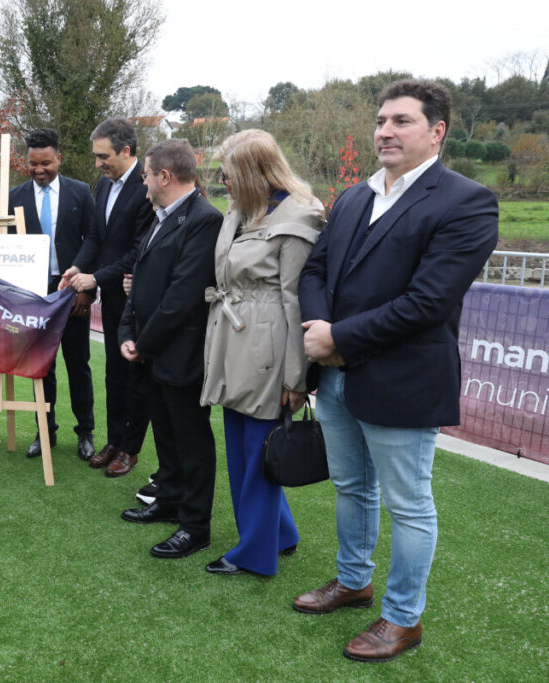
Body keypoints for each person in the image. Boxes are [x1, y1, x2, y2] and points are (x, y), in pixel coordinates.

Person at [296, 79, 498, 662]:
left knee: (408, 504)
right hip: (335, 373)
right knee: (351, 486)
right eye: (382, 120)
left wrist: (339, 337)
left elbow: (427, 303)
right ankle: (353, 581)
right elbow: (316, 271)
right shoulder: (354, 197)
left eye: (402, 121)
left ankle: (403, 618)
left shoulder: (466, 201)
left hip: (403, 379)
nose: (385, 130)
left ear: (436, 132)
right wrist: (319, 331)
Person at [199, 130, 324, 577]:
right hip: (235, 338)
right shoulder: (242, 209)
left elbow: (296, 300)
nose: (221, 181)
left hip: (269, 347)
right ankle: (281, 533)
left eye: (228, 173)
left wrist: (296, 378)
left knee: (257, 449)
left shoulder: (300, 217)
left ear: (254, 171)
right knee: (243, 445)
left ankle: (254, 554)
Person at [118, 139, 223, 559]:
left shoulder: (204, 219)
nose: (143, 181)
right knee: (165, 432)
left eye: (145, 174)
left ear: (165, 176)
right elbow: (138, 280)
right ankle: (170, 499)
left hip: (181, 353)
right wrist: (128, 330)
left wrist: (143, 343)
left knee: (191, 440)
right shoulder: (160, 216)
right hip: (152, 352)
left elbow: (183, 295)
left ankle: (195, 525)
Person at [60, 118, 154, 478]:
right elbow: (96, 238)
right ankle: (115, 440)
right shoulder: (103, 184)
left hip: (137, 297)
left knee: (133, 375)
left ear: (126, 151)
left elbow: (138, 252)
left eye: (103, 156)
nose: (97, 163)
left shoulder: (147, 188)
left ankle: (131, 448)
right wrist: (76, 268)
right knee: (114, 374)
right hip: (112, 300)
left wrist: (95, 277)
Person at [9, 128, 96, 461]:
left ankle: (85, 431)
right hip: (33, 296)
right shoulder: (14, 198)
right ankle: (44, 430)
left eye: (46, 163)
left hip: (72, 293)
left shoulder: (80, 192)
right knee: (40, 366)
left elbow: (93, 240)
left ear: (59, 158)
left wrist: (87, 289)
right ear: (26, 162)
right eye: (33, 164)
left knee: (78, 364)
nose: (39, 169)